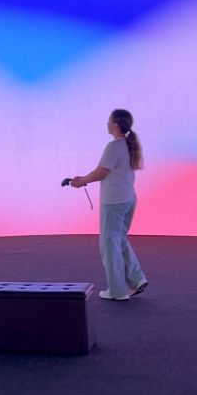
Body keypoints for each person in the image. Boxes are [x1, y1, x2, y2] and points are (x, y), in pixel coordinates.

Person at [71, 109, 148, 301]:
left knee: (109, 245)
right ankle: (137, 279)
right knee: (119, 239)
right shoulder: (127, 146)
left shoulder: (113, 147)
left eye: (108, 121)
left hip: (114, 202)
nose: (106, 124)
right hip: (128, 199)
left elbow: (101, 172)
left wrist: (81, 180)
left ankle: (117, 291)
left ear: (115, 125)